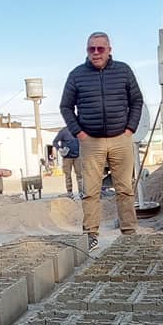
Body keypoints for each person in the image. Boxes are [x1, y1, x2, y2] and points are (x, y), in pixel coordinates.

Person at [60, 31, 144, 250]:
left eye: (100, 48)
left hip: (120, 139)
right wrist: (79, 133)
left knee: (125, 189)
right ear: (87, 51)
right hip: (91, 142)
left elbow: (136, 100)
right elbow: (65, 107)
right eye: (92, 49)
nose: (96, 53)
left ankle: (129, 233)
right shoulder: (77, 75)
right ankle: (90, 235)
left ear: (109, 50)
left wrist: (130, 129)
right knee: (90, 191)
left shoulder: (123, 71)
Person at [52, 127, 81, 198]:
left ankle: (81, 192)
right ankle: (69, 192)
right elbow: (55, 142)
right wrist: (60, 149)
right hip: (67, 158)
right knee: (68, 175)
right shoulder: (63, 131)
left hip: (78, 157)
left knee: (80, 175)